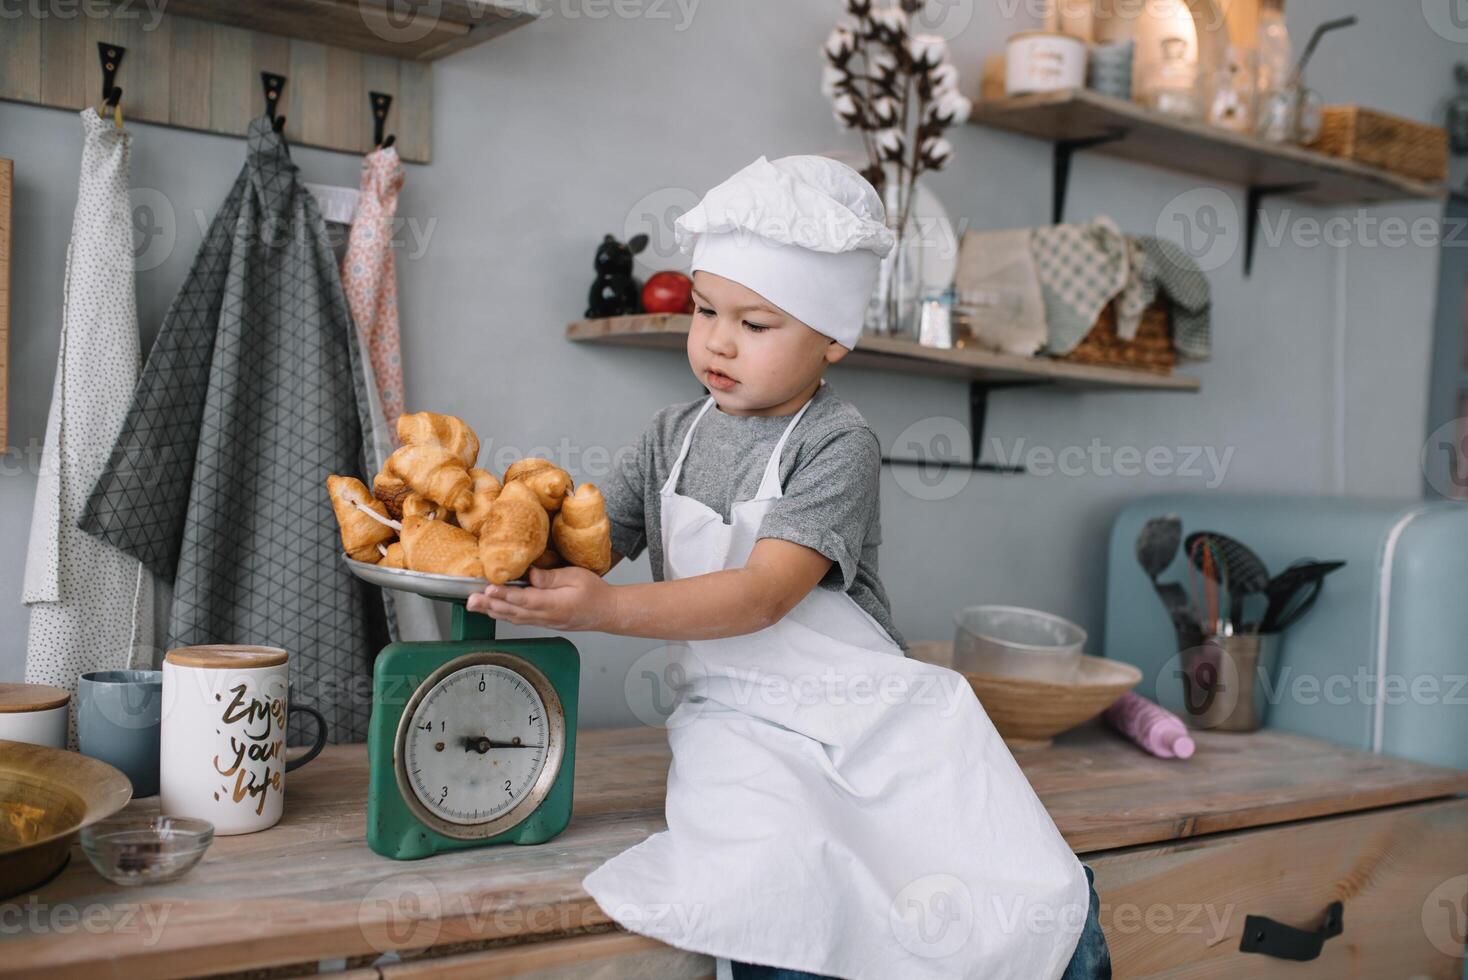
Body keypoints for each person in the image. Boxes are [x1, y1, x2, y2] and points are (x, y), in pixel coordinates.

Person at [467, 155, 1111, 980]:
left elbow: (765, 595)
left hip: (874, 715)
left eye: (756, 323)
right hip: (737, 716)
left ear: (833, 338)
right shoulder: (671, 434)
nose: (718, 341)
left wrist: (605, 612)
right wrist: (504, 539)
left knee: (1015, 874)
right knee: (780, 875)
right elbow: (586, 541)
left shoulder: (836, 444)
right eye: (704, 311)